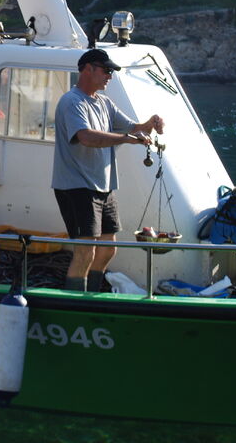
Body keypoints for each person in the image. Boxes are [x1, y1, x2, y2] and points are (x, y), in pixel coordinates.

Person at [52, 48, 164, 292]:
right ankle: (74, 302)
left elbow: (135, 128)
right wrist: (125, 138)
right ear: (88, 69)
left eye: (111, 71)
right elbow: (86, 137)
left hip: (102, 186)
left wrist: (151, 123)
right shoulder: (71, 102)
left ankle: (91, 292)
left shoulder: (104, 103)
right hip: (77, 186)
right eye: (106, 70)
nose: (110, 76)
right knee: (85, 252)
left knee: (108, 249)